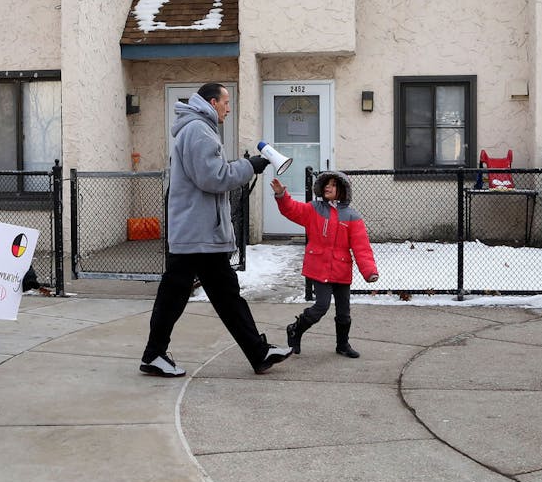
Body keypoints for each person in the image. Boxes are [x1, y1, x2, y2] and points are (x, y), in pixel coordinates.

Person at [139, 83, 291, 377]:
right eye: (225, 102)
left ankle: (258, 353)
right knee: (184, 297)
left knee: (221, 296)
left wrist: (247, 166)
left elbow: (211, 176)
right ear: (212, 101)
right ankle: (154, 354)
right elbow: (213, 177)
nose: (228, 108)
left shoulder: (199, 128)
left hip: (199, 234)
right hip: (197, 235)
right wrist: (250, 166)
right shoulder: (198, 130)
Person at [272, 171, 379, 358]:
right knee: (321, 307)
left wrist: (369, 271)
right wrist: (282, 196)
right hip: (319, 268)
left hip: (341, 270)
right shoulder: (314, 209)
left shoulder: (352, 217)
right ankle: (295, 330)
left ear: (343, 190)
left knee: (344, 312)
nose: (328, 187)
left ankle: (342, 345)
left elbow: (362, 247)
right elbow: (291, 209)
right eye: (326, 184)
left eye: (333, 184)